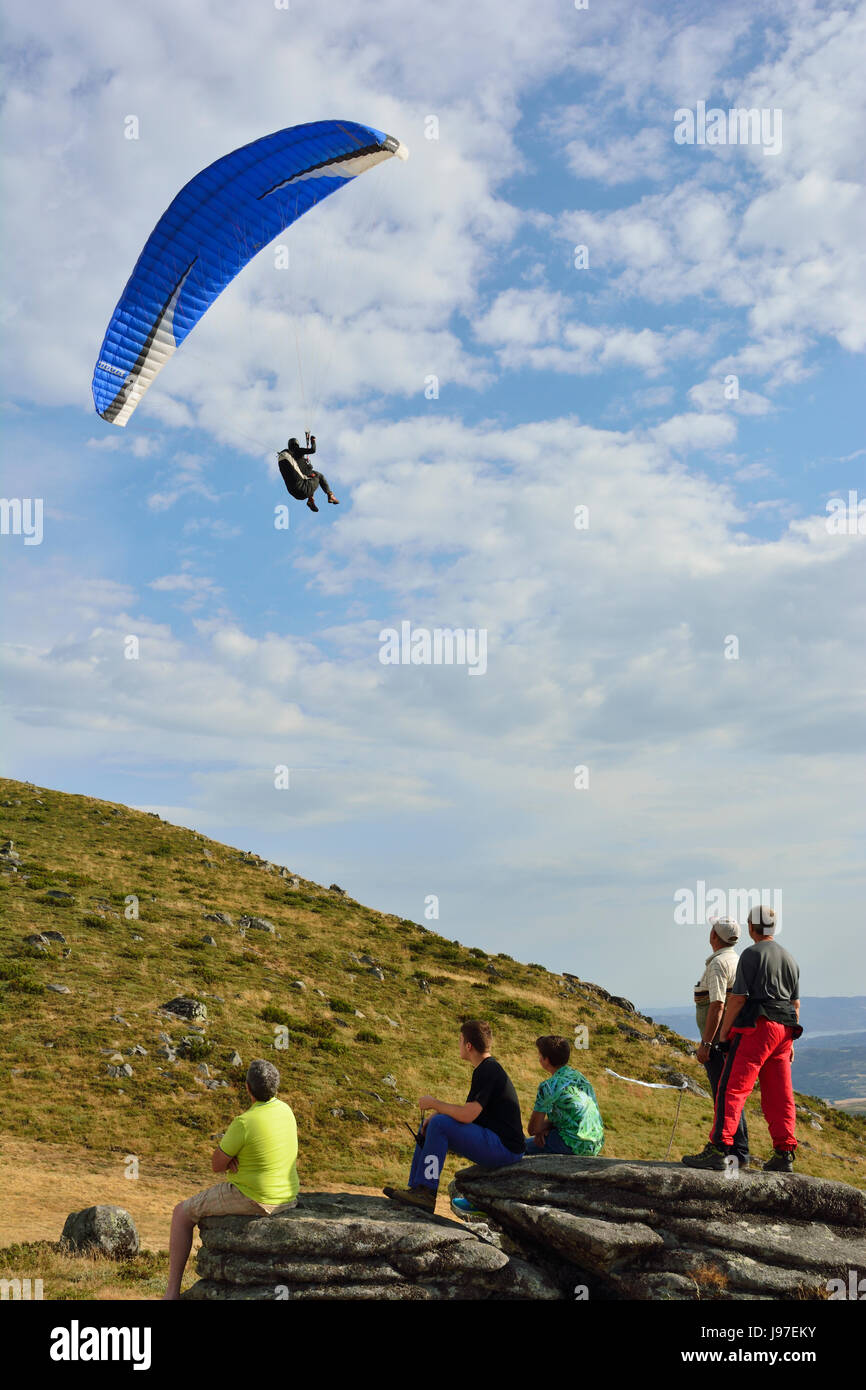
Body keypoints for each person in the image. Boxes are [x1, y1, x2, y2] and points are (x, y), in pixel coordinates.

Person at [163, 1059, 299, 1299]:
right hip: (288, 1198)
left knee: (181, 1214)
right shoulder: (286, 1110)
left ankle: (171, 1293)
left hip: (254, 1198)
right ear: (275, 1087)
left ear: (247, 1088)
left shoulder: (244, 1123)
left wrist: (231, 1158)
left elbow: (216, 1164)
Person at [682, 906, 802, 1173]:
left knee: (731, 1088)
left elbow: (736, 999)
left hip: (757, 1027)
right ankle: (784, 1152)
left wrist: (723, 1034)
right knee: (780, 1095)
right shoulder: (790, 958)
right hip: (785, 1031)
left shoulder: (751, 954)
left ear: (751, 927)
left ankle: (719, 1148)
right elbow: (795, 1004)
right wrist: (791, 1042)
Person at [383, 1020, 524, 1213]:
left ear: (468, 1045)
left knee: (439, 1124)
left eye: (460, 1041)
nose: (458, 1045)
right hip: (498, 1142)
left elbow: (467, 1115)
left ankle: (426, 1191)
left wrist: (434, 1104)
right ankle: (417, 1188)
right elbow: (474, 1114)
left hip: (505, 1149)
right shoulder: (487, 1069)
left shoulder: (487, 1070)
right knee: (430, 1123)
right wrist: (437, 1112)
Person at [693, 916, 751, 1168]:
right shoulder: (738, 960)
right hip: (732, 1038)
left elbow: (717, 1005)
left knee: (722, 1093)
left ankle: (728, 1150)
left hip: (718, 1041)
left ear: (714, 936)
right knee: (730, 1093)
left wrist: (706, 1044)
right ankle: (739, 1150)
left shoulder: (718, 964)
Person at [524, 1035, 604, 1156]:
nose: (538, 1058)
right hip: (595, 1143)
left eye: (539, 1055)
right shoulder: (579, 1077)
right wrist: (548, 1128)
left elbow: (533, 1129)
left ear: (546, 1060)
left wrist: (542, 1128)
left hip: (572, 1143)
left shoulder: (549, 1086)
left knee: (519, 1148)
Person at [277, 432, 339, 512]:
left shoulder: (292, 458)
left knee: (311, 479)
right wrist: (313, 441)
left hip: (299, 485)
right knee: (319, 476)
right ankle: (330, 495)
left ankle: (311, 500)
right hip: (303, 484)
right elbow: (313, 450)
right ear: (296, 444)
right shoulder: (297, 450)